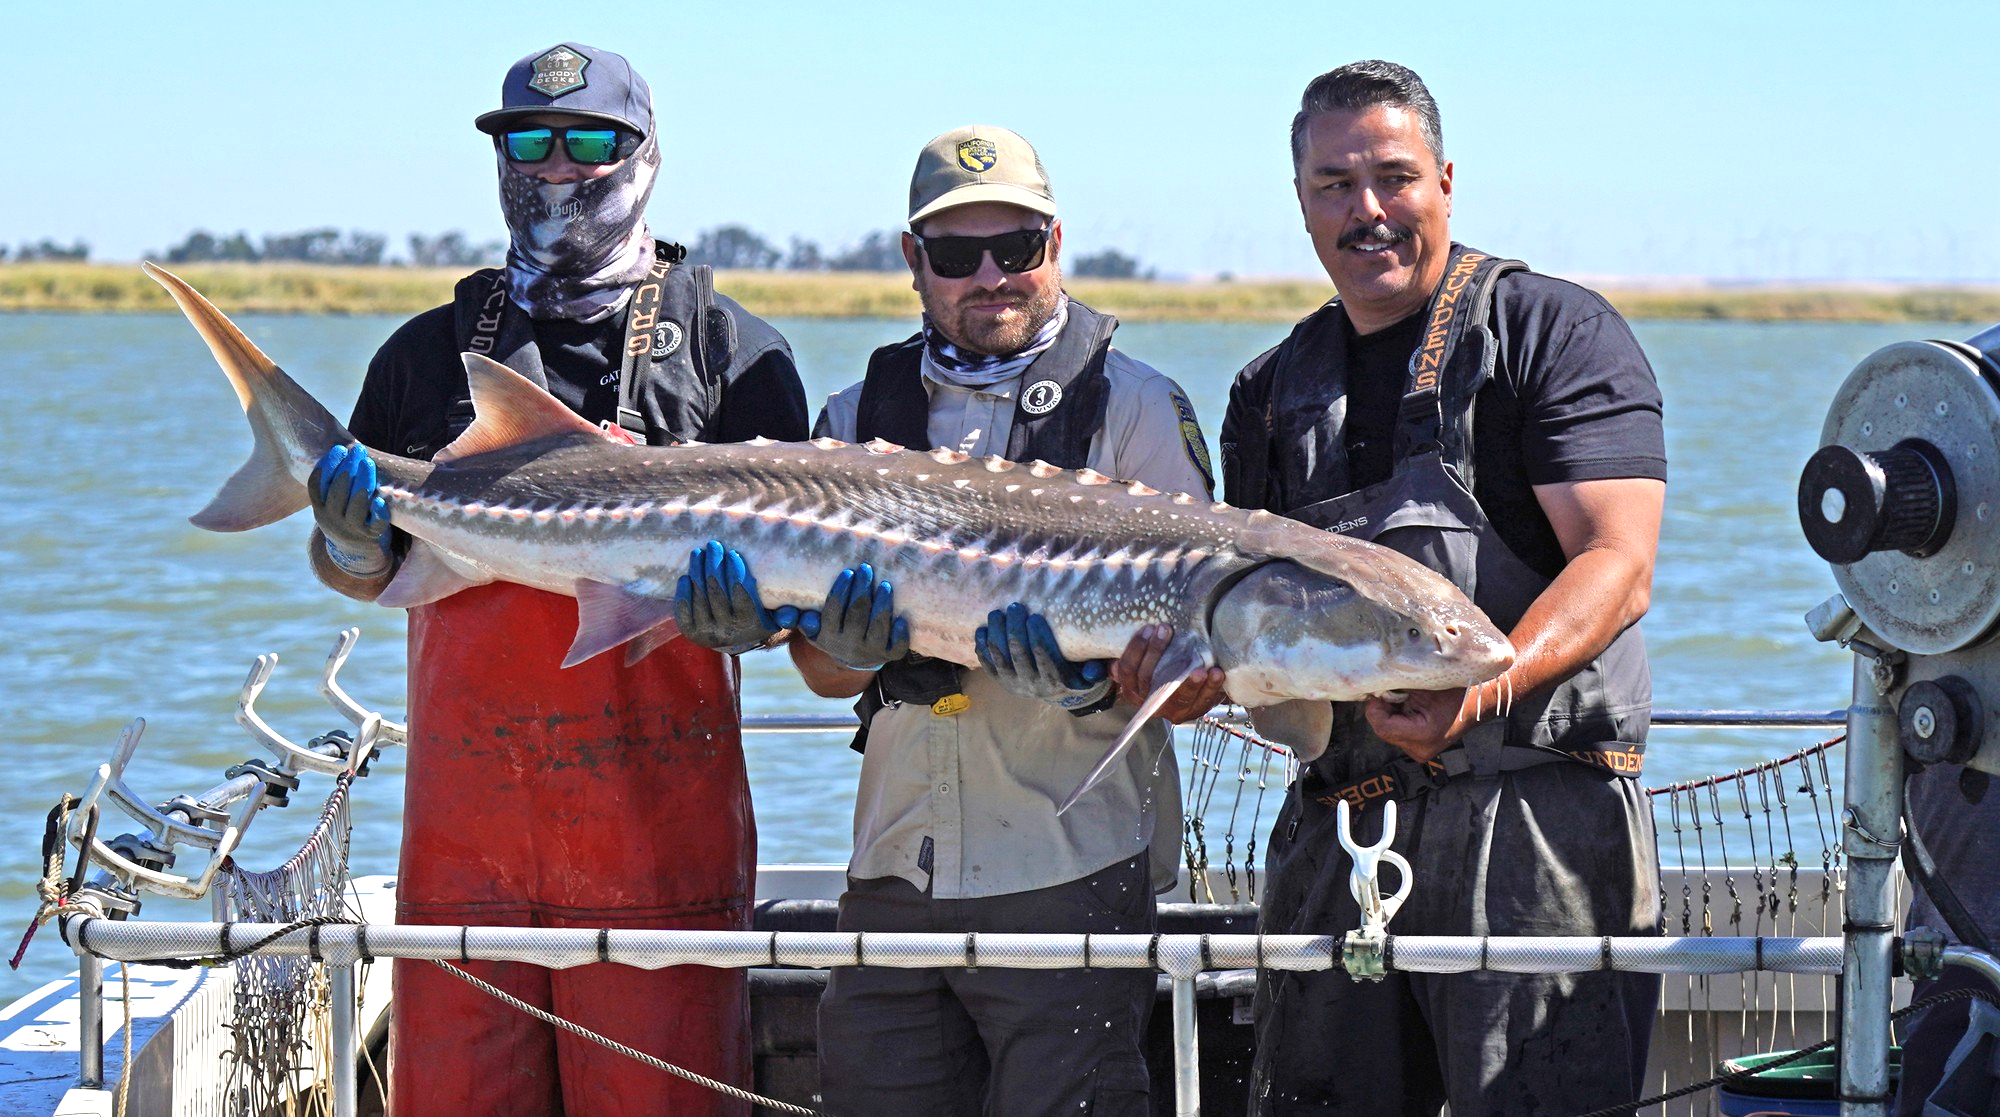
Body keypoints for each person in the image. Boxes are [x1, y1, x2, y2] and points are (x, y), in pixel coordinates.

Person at [676, 124, 1223, 1117]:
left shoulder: (1137, 408)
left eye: (1012, 249)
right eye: (955, 255)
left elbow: (1197, 673)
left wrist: (1099, 678)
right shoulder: (851, 418)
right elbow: (824, 676)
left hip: (1069, 867)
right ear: (911, 262)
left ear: (1052, 243)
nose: (989, 277)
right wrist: (832, 644)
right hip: (894, 867)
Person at [305, 42, 808, 1117]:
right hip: (462, 846)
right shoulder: (425, 352)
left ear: (645, 156)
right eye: (528, 142)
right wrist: (349, 541)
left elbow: (794, 604)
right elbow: (368, 568)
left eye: (590, 143)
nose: (558, 169)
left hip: (660, 850)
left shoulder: (727, 351)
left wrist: (746, 623)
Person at [1221, 61, 1667, 1115]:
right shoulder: (1266, 390)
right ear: (1299, 202)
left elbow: (1616, 563)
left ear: (1445, 180)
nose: (1364, 210)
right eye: (1332, 185)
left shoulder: (1553, 333)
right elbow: (1252, 629)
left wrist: (1481, 690)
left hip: (1532, 826)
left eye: (1392, 176)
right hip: (1340, 832)